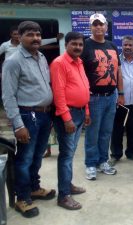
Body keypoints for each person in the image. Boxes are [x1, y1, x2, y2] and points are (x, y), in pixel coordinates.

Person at [2, 21, 55, 218]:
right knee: (24, 159)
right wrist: (18, 125)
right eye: (30, 35)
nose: (36, 38)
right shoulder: (13, 61)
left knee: (37, 156)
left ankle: (34, 188)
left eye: (38, 35)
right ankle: (22, 198)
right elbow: (8, 96)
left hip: (43, 114)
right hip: (27, 116)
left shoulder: (40, 56)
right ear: (19, 37)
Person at [50, 32, 91, 210]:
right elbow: (58, 94)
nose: (78, 47)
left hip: (80, 112)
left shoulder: (79, 62)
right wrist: (67, 119)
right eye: (74, 44)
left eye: (80, 45)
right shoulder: (59, 63)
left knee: (70, 153)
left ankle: (68, 185)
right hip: (68, 115)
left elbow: (84, 87)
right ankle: (63, 196)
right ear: (66, 44)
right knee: (66, 155)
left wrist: (87, 110)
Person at [82, 13, 124, 180]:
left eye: (102, 24)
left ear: (106, 27)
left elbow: (118, 71)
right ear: (91, 27)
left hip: (111, 95)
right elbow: (80, 72)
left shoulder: (112, 46)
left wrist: (120, 93)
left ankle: (103, 161)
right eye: (95, 24)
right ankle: (91, 164)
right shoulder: (85, 46)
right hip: (94, 97)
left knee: (106, 132)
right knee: (93, 132)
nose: (99, 27)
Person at [110, 36, 133, 165]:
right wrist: (119, 95)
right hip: (119, 101)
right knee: (117, 128)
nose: (128, 47)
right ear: (122, 46)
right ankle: (116, 154)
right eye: (125, 45)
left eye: (130, 45)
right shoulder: (115, 61)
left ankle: (132, 152)